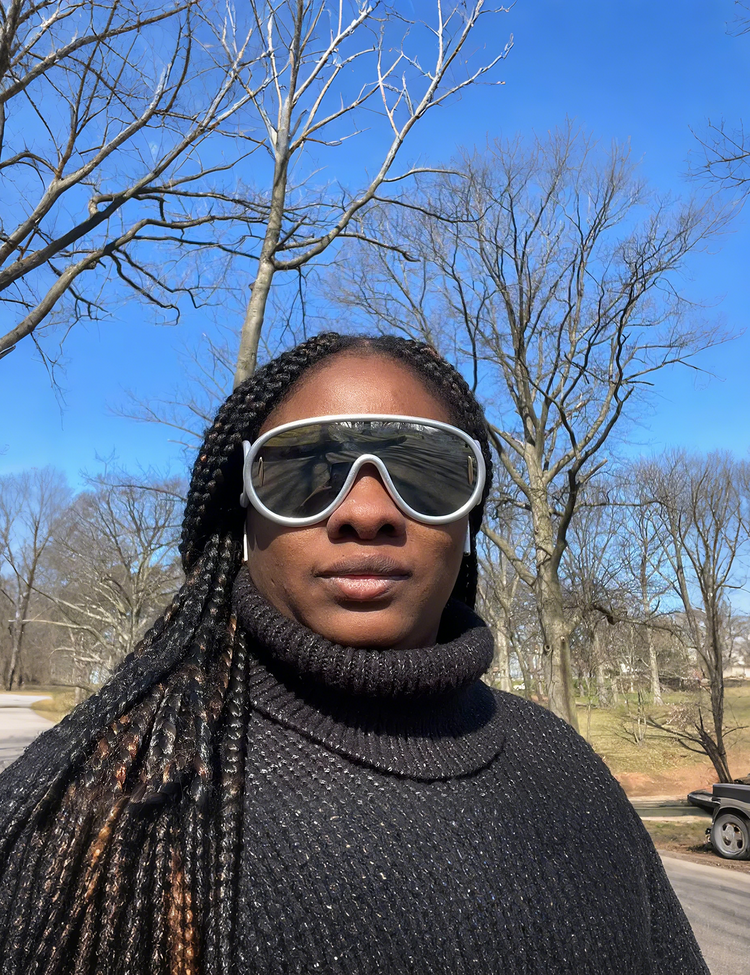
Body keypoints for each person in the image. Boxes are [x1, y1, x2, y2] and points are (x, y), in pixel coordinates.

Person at [0, 332, 708, 975]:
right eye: (305, 469)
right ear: (241, 512)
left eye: (424, 471)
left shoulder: (567, 770)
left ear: (468, 517)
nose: (366, 511)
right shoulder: (84, 803)